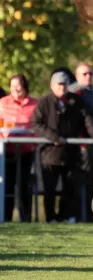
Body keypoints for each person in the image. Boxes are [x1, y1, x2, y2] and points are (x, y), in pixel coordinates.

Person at [31, 71, 93, 223]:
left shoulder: (76, 101)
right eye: (59, 84)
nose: (62, 87)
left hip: (70, 153)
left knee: (70, 188)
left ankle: (66, 216)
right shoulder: (44, 102)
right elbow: (36, 124)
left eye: (64, 84)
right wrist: (54, 137)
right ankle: (50, 218)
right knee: (49, 189)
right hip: (50, 154)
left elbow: (86, 119)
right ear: (52, 86)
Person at [69, 62, 93, 222]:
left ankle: (87, 214)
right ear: (77, 76)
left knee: (91, 180)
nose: (88, 76)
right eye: (84, 74)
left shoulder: (91, 92)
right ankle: (79, 214)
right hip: (83, 143)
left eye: (90, 73)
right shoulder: (76, 93)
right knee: (81, 181)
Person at [0, 74, 38, 222]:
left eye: (19, 85)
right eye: (13, 85)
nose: (16, 88)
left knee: (25, 185)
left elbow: (38, 125)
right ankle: (5, 217)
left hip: (27, 150)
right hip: (7, 151)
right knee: (7, 184)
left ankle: (25, 217)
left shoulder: (35, 104)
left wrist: (34, 142)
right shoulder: (3, 103)